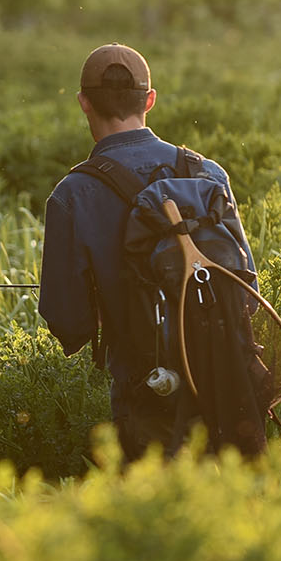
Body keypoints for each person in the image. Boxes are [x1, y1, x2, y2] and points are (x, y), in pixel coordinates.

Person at [38, 42, 256, 461]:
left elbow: (68, 322)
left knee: (154, 515)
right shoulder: (208, 173)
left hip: (145, 393)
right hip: (228, 385)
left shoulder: (73, 195)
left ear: (84, 103)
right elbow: (247, 288)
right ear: (150, 100)